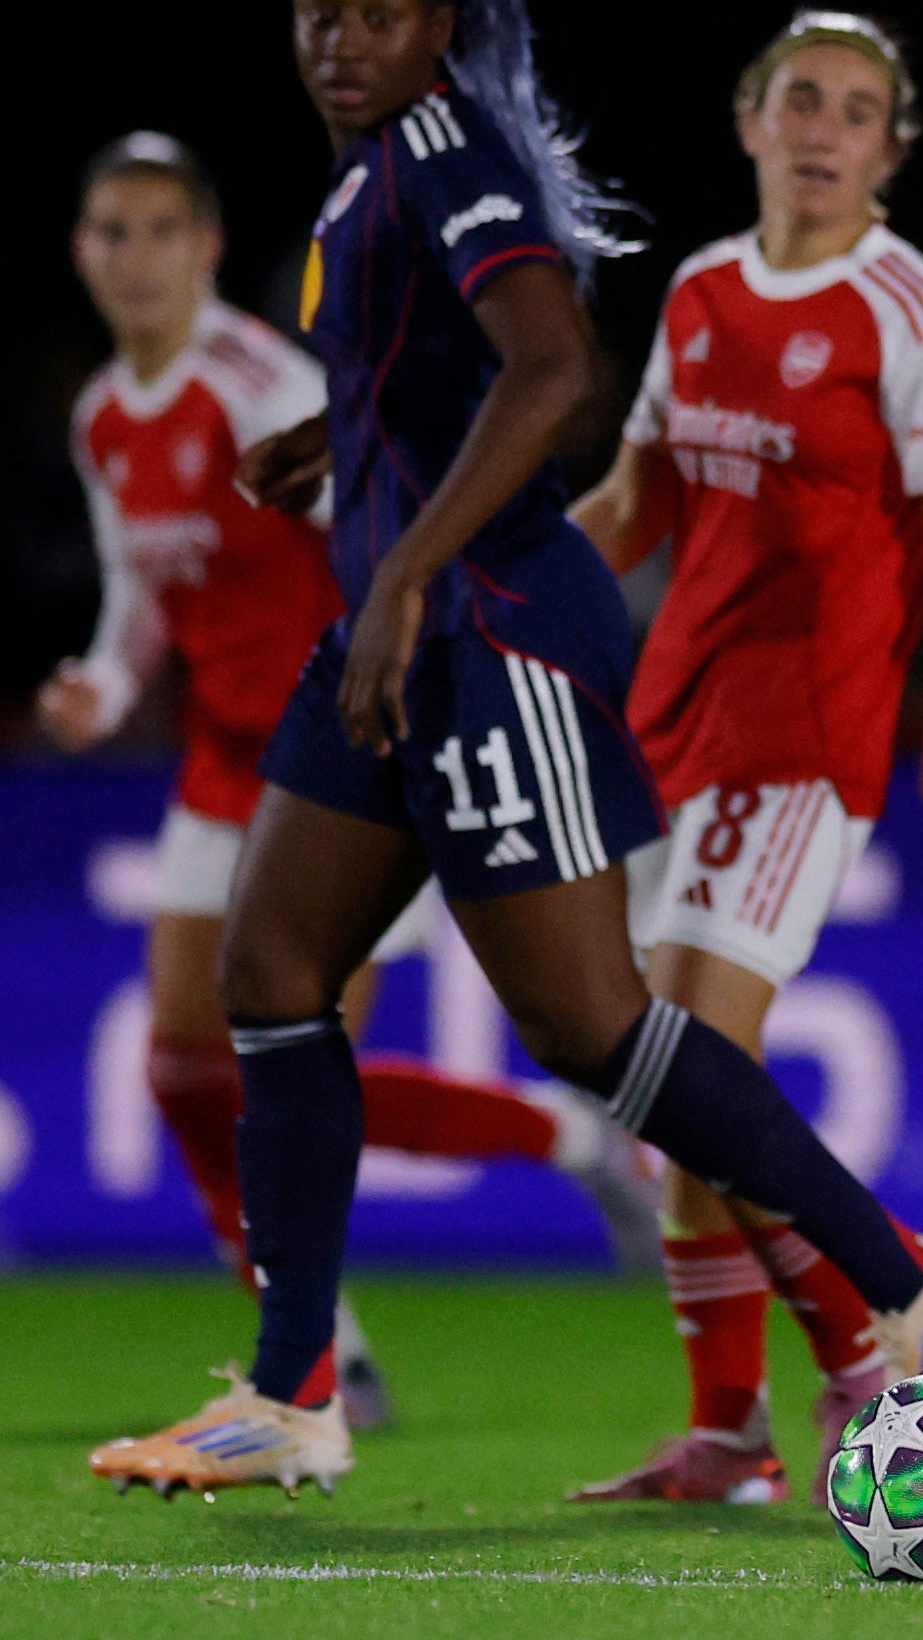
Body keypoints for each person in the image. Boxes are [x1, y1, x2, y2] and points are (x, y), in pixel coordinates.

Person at [89, 0, 923, 1502]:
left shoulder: (444, 147)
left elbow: (556, 365)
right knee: (273, 965)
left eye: (375, 13)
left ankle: (909, 1274)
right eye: (316, 12)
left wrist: (416, 563)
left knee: (588, 1021)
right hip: (400, 626)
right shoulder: (379, 165)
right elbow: (450, 371)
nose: (339, 42)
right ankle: (292, 1389)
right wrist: (342, 445)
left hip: (490, 630)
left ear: (442, 28)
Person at [51, 132, 659, 1440]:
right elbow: (134, 593)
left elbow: (391, 507)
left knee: (290, 1061)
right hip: (222, 764)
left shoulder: (257, 382)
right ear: (82, 252)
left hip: (341, 753)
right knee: (179, 1069)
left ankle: (322, 1355)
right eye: (112, 231)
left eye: (162, 230)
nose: (136, 257)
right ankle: (348, 1313)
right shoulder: (105, 413)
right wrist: (104, 684)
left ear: (207, 248)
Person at [567, 11, 923, 1507]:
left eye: (858, 110)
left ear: (890, 149)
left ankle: (891, 1311)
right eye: (801, 100)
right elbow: (635, 501)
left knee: (695, 1065)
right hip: (671, 722)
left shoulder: (912, 310)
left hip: (805, 735)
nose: (825, 127)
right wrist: (482, 590)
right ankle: (740, 1424)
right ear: (750, 118)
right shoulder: (700, 289)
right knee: (673, 1092)